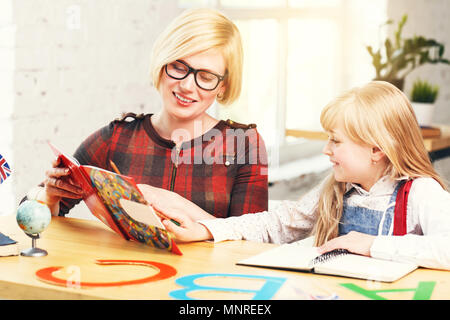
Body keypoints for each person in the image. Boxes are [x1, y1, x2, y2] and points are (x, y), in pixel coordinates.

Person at [151, 81, 450, 270]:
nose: (326, 150)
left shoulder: (421, 193)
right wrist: (205, 230)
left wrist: (370, 244)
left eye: (336, 140)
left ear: (376, 149)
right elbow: (277, 224)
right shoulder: (336, 188)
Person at [24, 8, 268, 218]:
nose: (186, 86)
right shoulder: (117, 137)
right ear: (162, 64)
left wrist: (181, 211)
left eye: (205, 77)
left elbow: (253, 242)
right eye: (178, 67)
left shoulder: (244, 145)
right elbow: (29, 210)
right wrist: (49, 196)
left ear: (223, 86)